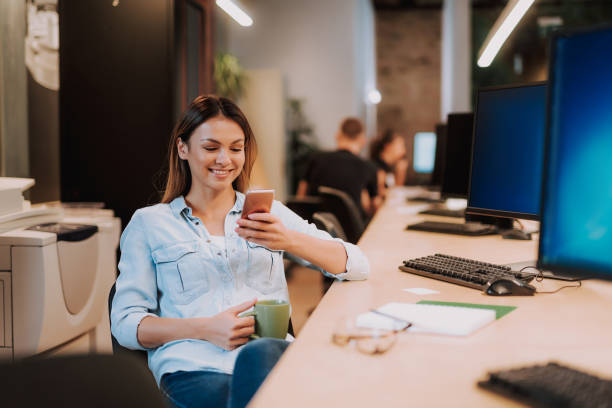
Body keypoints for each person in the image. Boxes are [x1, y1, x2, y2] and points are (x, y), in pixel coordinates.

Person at [110, 95, 369, 408]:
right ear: (183, 149)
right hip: (193, 369)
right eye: (211, 147)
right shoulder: (150, 223)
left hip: (270, 361)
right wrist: (205, 328)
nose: (225, 159)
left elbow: (357, 264)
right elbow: (126, 325)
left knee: (261, 358)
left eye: (236, 148)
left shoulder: (268, 213)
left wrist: (288, 240)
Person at [296, 117, 380, 218]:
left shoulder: (316, 159)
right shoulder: (368, 167)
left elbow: (300, 198)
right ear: (363, 140)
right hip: (351, 231)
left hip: (314, 225)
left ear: (338, 136)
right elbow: (375, 206)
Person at [369, 129, 409, 197]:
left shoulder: (387, 167)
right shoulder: (377, 169)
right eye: (401, 145)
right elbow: (382, 195)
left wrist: (401, 172)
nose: (404, 151)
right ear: (388, 146)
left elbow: (395, 190)